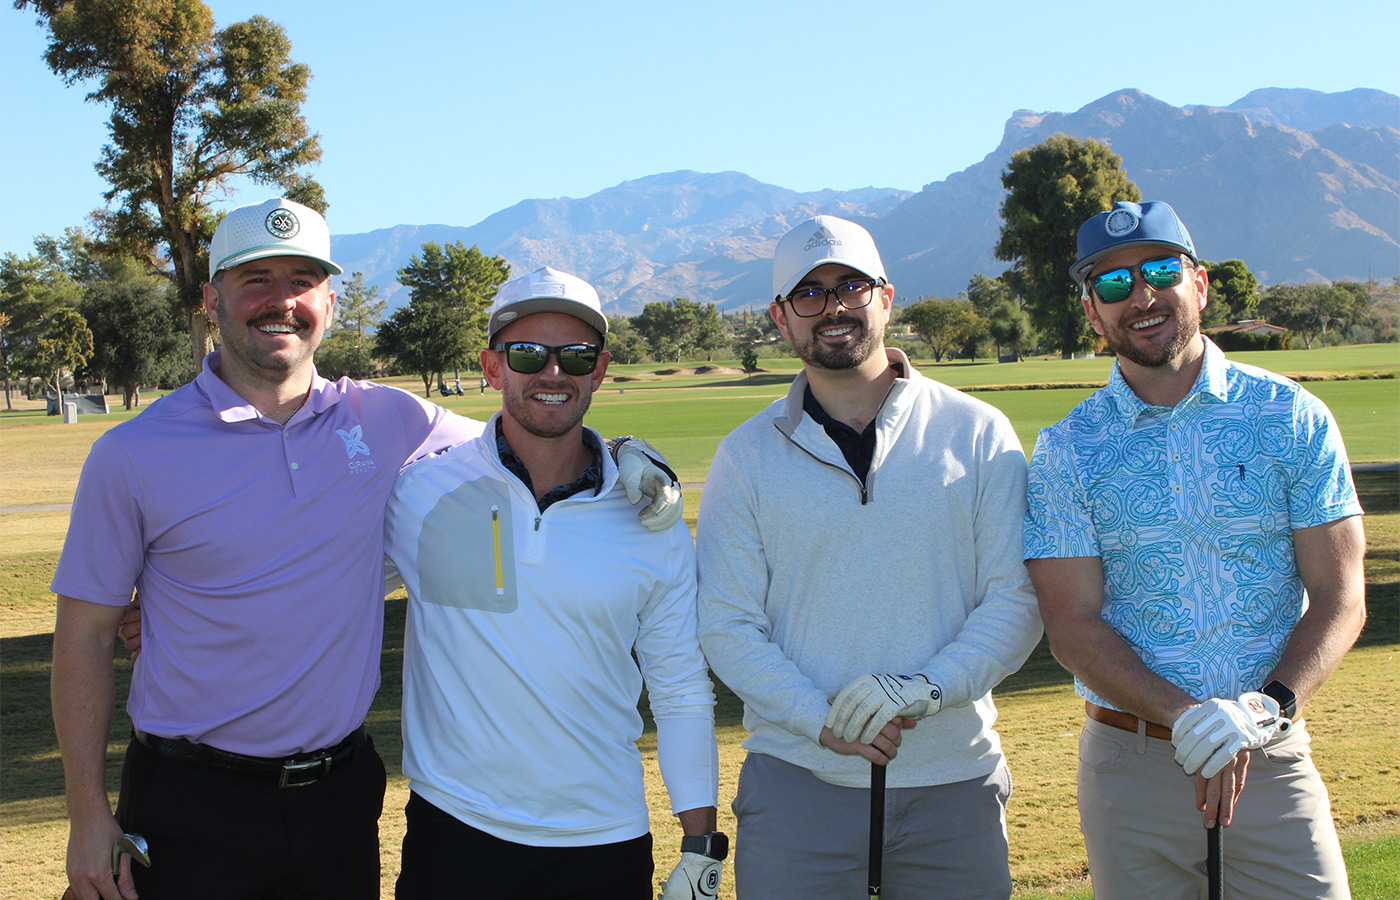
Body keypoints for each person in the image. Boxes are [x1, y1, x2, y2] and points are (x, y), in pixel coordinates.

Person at [49, 199, 682, 900]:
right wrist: (86, 814)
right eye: (255, 279)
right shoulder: (133, 453)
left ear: (329, 300)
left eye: (302, 280)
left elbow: (530, 425)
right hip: (191, 803)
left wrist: (621, 452)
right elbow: (82, 638)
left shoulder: (389, 419)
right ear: (211, 298)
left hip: (339, 801)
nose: (281, 300)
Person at [1023, 200, 1366, 900]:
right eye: (1113, 285)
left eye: (1159, 271)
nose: (1141, 297)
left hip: (1269, 753)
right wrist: (1187, 718)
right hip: (1132, 763)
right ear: (1093, 311)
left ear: (1200, 284)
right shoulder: (1067, 447)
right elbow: (1070, 624)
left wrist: (1261, 710)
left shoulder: (1290, 414)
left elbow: (1341, 595)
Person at [695, 215, 1043, 899]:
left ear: (886, 296)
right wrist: (820, 718)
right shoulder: (746, 455)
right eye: (810, 293)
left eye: (851, 285)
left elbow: (1016, 598)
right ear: (780, 317)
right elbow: (726, 622)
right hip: (799, 784)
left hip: (953, 782)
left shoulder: (977, 433)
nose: (833, 306)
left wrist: (931, 685)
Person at [383, 266, 724, 900]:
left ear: (599, 371)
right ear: (492, 366)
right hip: (453, 833)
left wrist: (702, 843)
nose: (553, 373)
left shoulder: (652, 518)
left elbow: (680, 689)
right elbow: (315, 577)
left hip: (603, 841)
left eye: (575, 357)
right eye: (528, 354)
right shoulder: (421, 492)